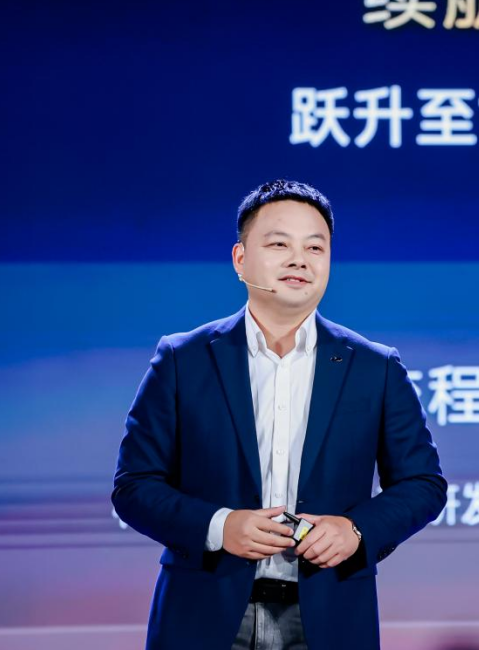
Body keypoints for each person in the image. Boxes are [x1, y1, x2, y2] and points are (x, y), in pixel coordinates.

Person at [112, 179, 447, 650]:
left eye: (315, 247)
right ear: (240, 259)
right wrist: (219, 526)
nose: (299, 259)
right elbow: (134, 486)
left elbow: (423, 484)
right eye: (279, 244)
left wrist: (355, 530)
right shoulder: (182, 360)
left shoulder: (375, 367)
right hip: (202, 613)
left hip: (329, 616)